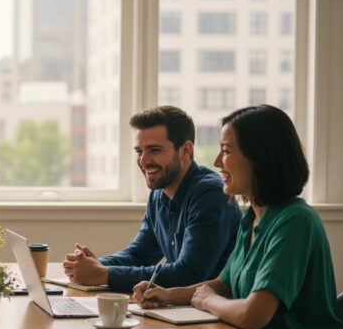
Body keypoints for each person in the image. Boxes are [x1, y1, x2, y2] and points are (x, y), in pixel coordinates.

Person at [133, 104, 343, 329]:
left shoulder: (295, 221)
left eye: (226, 151)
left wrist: (209, 301)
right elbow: (224, 283)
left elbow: (253, 315)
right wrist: (166, 294)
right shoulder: (250, 218)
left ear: (261, 158)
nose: (217, 162)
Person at [63, 106, 242, 292]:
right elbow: (140, 254)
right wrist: (93, 265)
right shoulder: (159, 193)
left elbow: (189, 274)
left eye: (154, 150)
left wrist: (103, 274)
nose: (143, 161)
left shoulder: (210, 193)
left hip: (214, 312)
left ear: (185, 151)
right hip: (184, 308)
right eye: (139, 151)